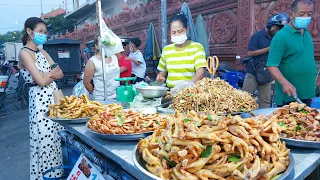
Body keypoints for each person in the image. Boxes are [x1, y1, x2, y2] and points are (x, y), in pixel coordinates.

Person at [19, 17, 64, 179]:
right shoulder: (25, 53)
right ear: (29, 31)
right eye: (40, 32)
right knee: (45, 142)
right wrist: (51, 74)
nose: (43, 35)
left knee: (57, 139)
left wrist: (48, 75)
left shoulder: (42, 51)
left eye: (45, 32)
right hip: (40, 103)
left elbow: (61, 73)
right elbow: (41, 81)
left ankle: (58, 174)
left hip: (54, 99)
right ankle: (46, 176)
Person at [267, 0, 315, 107]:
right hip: (290, 96)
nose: (306, 17)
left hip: (307, 94)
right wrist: (284, 83)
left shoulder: (306, 33)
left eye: (309, 14)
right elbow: (271, 65)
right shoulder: (281, 37)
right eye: (302, 14)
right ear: (291, 14)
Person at [242, 13, 290, 108]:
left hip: (267, 75)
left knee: (265, 102)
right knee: (244, 98)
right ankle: (239, 119)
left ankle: (264, 121)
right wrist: (269, 48)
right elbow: (250, 53)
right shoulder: (257, 36)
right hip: (253, 72)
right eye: (277, 28)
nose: (278, 31)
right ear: (271, 26)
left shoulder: (277, 38)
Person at [156, 14, 206, 95]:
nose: (177, 35)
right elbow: (163, 71)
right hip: (170, 92)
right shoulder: (166, 50)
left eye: (180, 31)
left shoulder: (197, 48)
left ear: (187, 29)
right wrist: (160, 76)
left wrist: (185, 87)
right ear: (170, 33)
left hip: (190, 92)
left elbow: (200, 74)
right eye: (174, 32)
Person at [83, 34, 120, 101]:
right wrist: (96, 94)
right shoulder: (92, 62)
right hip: (101, 99)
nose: (105, 45)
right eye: (102, 42)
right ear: (97, 46)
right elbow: (86, 83)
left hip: (117, 96)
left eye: (106, 42)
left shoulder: (114, 57)